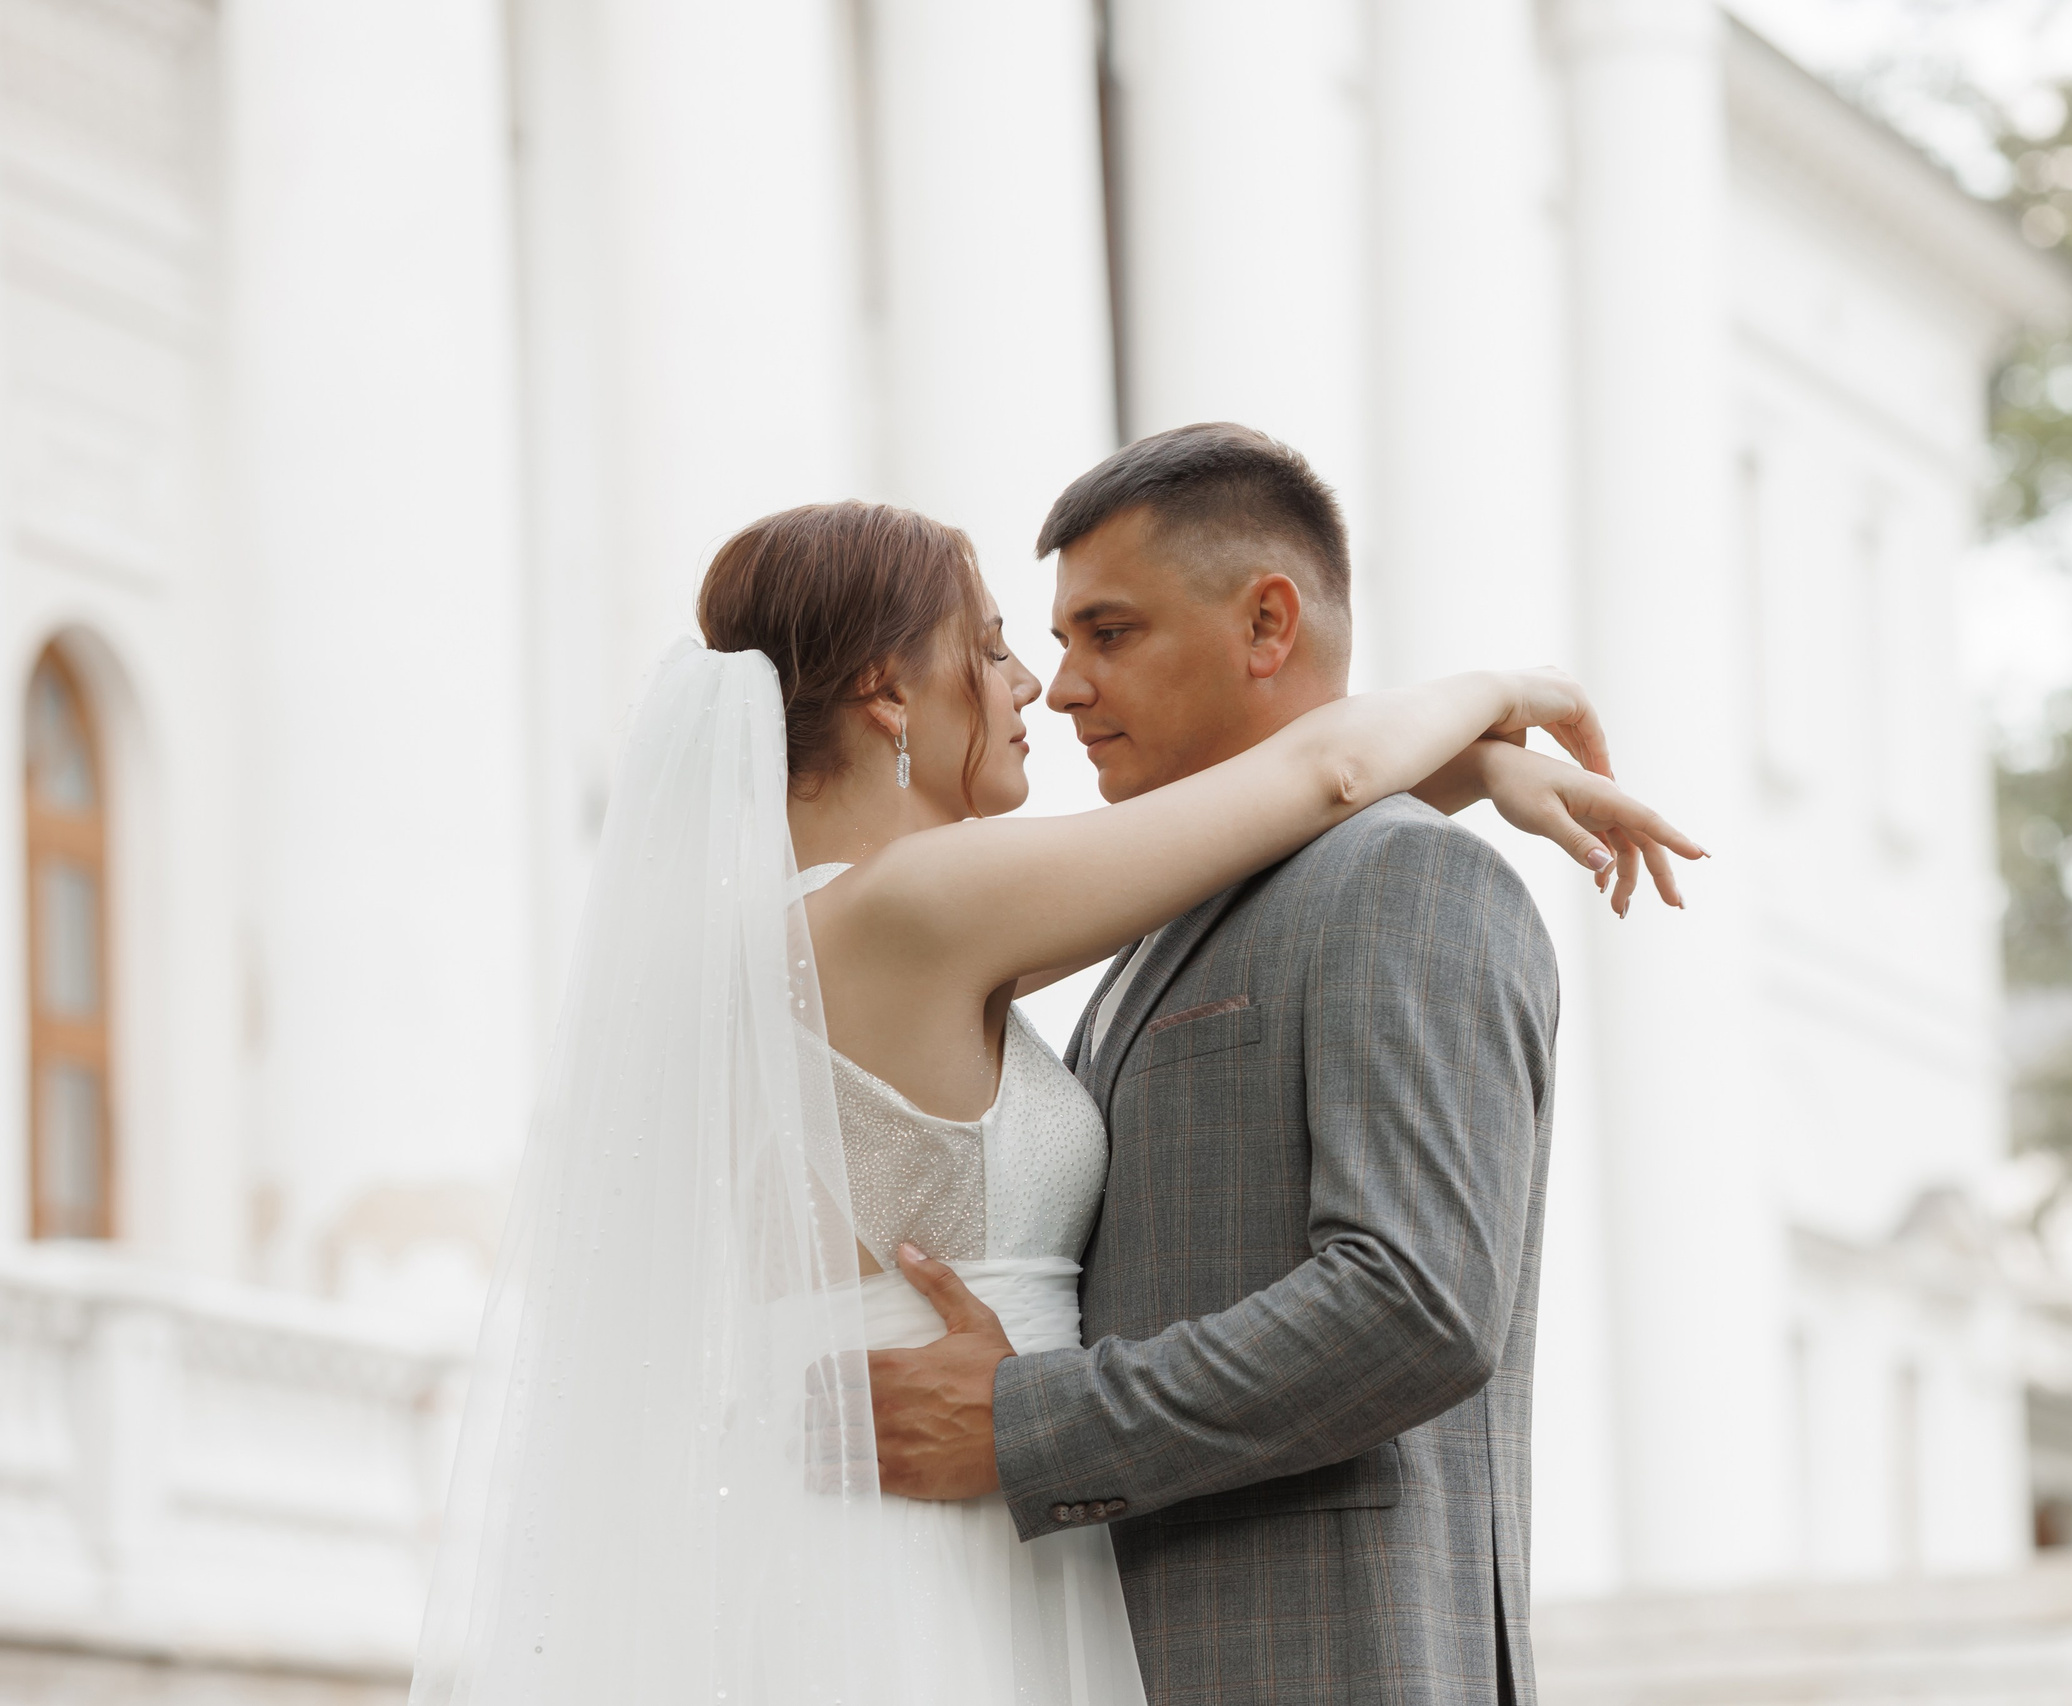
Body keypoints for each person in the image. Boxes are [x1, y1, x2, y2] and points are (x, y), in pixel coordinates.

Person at [410, 470, 1696, 1706]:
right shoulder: (913, 906)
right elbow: (1325, 778)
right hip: (930, 1566)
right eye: (990, 647)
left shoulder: (829, 936)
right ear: (884, 692)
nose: (1036, 683)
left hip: (879, 1540)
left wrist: (1476, 775)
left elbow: (1239, 845)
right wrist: (1507, 695)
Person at [865, 423, 1664, 1705]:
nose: (1061, 687)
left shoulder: (1408, 876)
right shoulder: (1160, 919)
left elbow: (1412, 1300)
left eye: (1106, 633)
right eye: (1055, 642)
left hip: (1326, 1656)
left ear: (1266, 625)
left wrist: (1027, 1425)